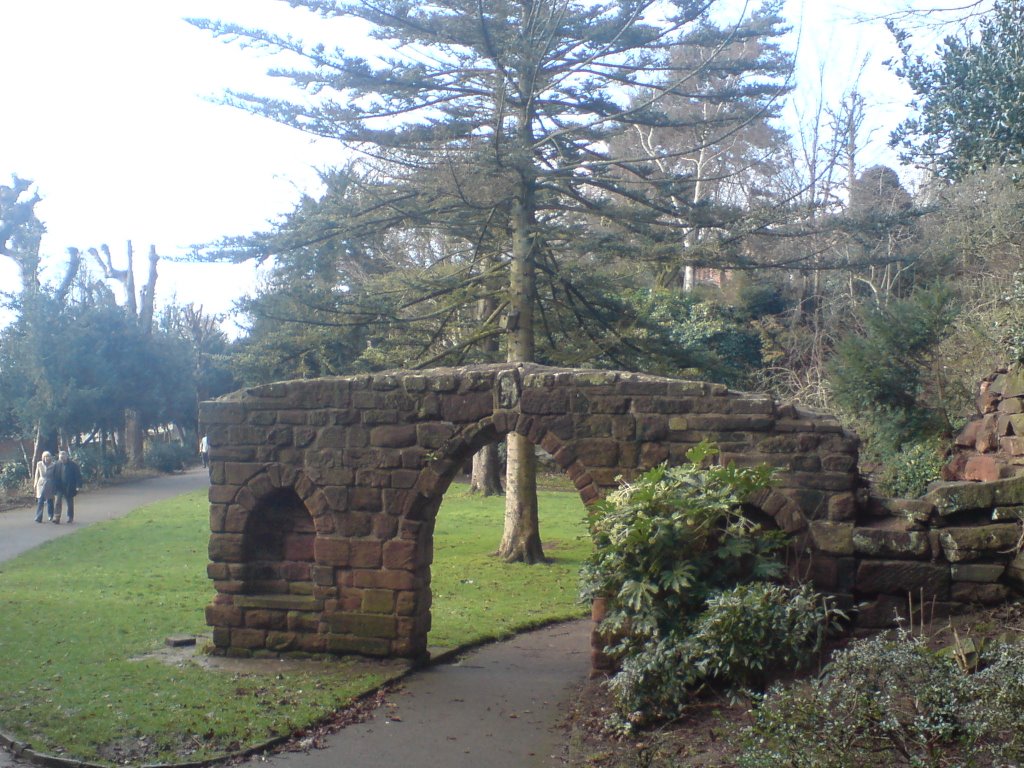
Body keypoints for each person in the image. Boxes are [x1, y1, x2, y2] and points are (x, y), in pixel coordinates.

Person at [53, 450, 82, 524]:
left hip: (69, 486)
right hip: (59, 486)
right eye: (60, 457)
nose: (62, 459)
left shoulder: (73, 465)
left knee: (69, 502)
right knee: (57, 501)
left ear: (66, 456)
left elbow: (78, 476)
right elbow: (54, 476)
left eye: (63, 457)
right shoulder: (57, 464)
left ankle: (70, 517)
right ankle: (57, 517)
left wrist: (78, 486)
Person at [33, 451, 57, 523]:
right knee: (40, 501)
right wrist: (35, 484)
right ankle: (38, 517)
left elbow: (55, 476)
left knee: (50, 500)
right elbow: (37, 474)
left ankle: (50, 515)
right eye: (45, 456)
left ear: (50, 458)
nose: (47, 458)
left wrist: (55, 485)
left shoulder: (54, 465)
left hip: (50, 483)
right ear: (43, 457)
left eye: (48, 456)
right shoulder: (39, 464)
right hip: (41, 483)